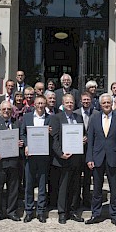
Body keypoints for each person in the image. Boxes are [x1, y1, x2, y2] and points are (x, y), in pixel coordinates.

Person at [85, 93, 116, 227]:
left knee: (114, 189)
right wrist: (89, 158)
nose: (106, 105)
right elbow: (90, 139)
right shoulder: (94, 118)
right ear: (100, 104)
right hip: (97, 157)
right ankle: (95, 214)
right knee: (97, 189)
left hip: (113, 157)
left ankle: (115, 215)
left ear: (112, 104)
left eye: (109, 103)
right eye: (104, 103)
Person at [50, 94, 86, 224]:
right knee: (63, 186)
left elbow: (84, 134)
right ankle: (62, 212)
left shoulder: (79, 117)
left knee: (75, 186)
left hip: (76, 158)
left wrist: (83, 139)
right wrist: (60, 154)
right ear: (63, 104)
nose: (69, 104)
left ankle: (73, 210)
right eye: (67, 102)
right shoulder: (56, 118)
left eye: (71, 102)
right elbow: (54, 139)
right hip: (63, 158)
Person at [20, 96, 52, 223]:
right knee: (28, 184)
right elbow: (22, 133)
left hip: (44, 156)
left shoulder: (50, 118)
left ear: (45, 104)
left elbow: (55, 136)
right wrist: (26, 145)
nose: (40, 106)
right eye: (38, 103)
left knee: (42, 185)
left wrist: (50, 132)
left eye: (42, 103)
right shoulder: (27, 117)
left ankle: (41, 211)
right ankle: (28, 211)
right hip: (30, 156)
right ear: (34, 104)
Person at [74, 92, 100, 208]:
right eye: (84, 100)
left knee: (88, 177)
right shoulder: (75, 114)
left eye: (88, 100)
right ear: (80, 101)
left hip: (92, 149)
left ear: (91, 100)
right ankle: (75, 199)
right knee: (77, 176)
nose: (86, 102)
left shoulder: (97, 114)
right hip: (77, 150)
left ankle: (86, 198)